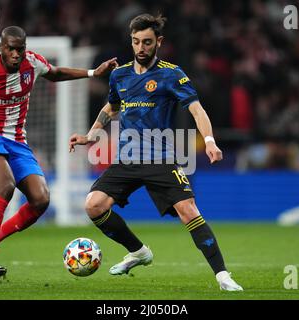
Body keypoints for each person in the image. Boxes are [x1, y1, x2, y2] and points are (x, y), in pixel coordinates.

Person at [69, 14, 243, 291]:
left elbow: (196, 109)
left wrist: (209, 140)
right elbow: (111, 107)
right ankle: (139, 252)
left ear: (158, 42)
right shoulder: (119, 74)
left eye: (147, 42)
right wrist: (91, 136)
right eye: (136, 42)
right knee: (93, 205)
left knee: (188, 210)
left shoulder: (171, 74)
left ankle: (223, 276)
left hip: (160, 158)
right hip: (127, 159)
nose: (141, 48)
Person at [0, 26, 118, 282]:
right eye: (10, 49)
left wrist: (92, 72)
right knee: (6, 185)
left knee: (41, 199)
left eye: (20, 49)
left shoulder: (32, 62)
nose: (16, 54)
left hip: (17, 141)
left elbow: (55, 73)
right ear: (1, 48)